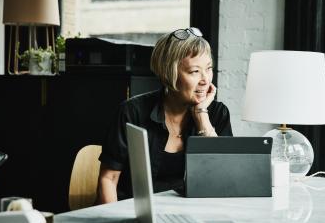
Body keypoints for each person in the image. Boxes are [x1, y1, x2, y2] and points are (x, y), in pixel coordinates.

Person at [96, 27, 233, 204]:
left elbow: (225, 180)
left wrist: (201, 116)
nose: (205, 79)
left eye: (209, 69)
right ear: (170, 73)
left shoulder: (217, 114)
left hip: (190, 215)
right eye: (194, 71)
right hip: (133, 213)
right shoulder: (132, 113)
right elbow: (108, 180)